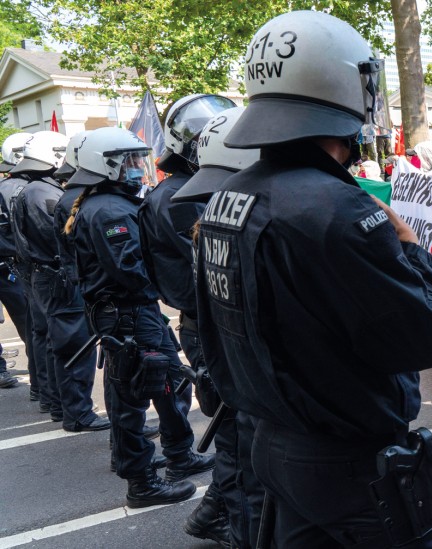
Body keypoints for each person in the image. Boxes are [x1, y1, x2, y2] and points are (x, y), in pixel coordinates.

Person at [194, 11, 432, 546]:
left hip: (274, 442)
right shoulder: (336, 209)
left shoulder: (229, 196)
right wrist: (411, 248)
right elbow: (424, 336)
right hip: (348, 465)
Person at [65, 127, 213, 507]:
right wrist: (166, 278)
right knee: (132, 398)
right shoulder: (109, 210)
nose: (136, 167)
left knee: (170, 383)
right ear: (106, 164)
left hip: (135, 312)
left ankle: (179, 455)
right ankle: (142, 483)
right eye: (128, 160)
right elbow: (130, 267)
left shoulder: (108, 203)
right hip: (128, 315)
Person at [137, 93, 235, 544]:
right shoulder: (180, 196)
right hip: (210, 322)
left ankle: (219, 509)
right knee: (238, 429)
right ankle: (222, 513)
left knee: (238, 431)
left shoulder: (175, 191)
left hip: (204, 321)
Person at [172, 106, 265, 548]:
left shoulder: (216, 216)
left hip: (227, 355)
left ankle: (218, 515)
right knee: (244, 460)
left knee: (238, 451)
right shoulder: (241, 219)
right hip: (240, 365)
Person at [9, 131, 71, 423]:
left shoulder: (35, 189)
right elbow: (57, 239)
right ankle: (59, 401)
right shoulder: (42, 193)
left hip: (33, 271)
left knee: (43, 333)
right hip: (46, 272)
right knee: (54, 337)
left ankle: (50, 397)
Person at [0, 132, 34, 390]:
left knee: (29, 322)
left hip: (10, 265)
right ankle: (41, 381)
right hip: (13, 264)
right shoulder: (21, 189)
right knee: (30, 323)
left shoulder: (8, 188)